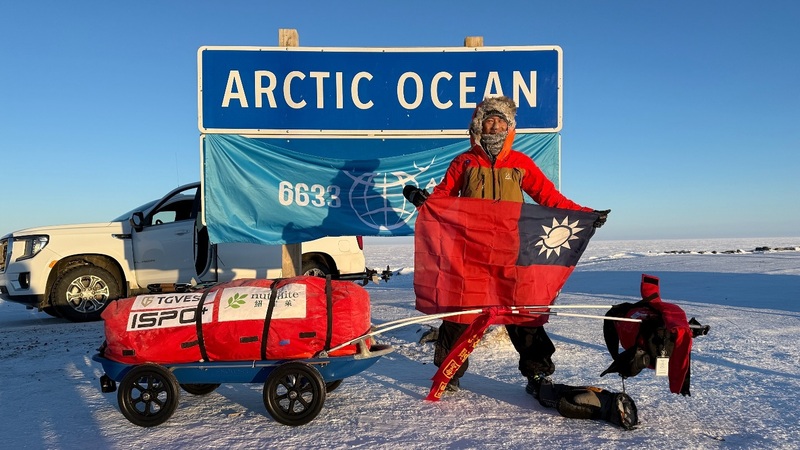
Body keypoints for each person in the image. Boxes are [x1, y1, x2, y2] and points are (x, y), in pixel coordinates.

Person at [408, 95, 609, 395]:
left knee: (523, 312)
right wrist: (422, 199)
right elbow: (444, 196)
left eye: (501, 121)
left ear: (509, 127)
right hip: (470, 252)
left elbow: (549, 198)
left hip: (512, 253)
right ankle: (449, 371)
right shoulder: (463, 162)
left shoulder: (520, 163)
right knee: (460, 312)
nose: (495, 126)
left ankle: (537, 373)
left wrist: (584, 215)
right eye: (489, 120)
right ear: (479, 125)